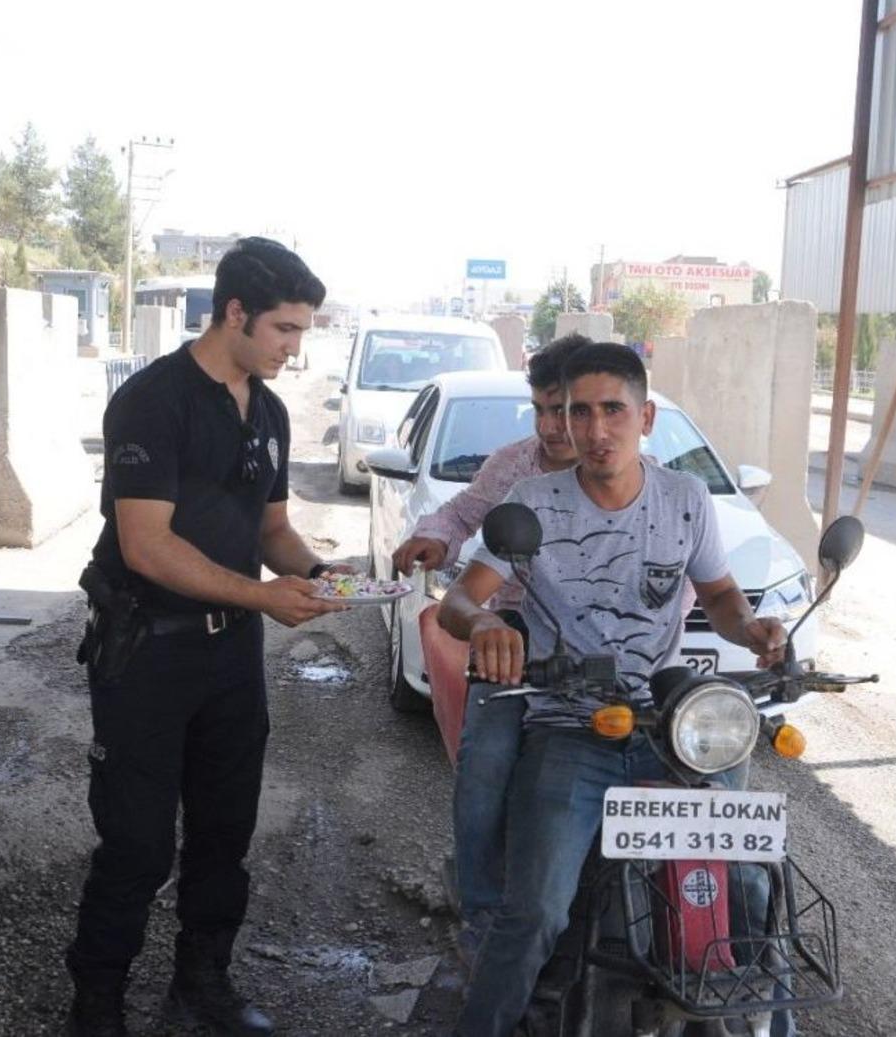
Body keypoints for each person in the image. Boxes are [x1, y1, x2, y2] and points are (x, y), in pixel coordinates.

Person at [438, 343, 789, 1036]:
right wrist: (484, 623)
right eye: (579, 411)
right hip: (569, 727)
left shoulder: (685, 499)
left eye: (613, 410)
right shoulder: (531, 501)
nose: (595, 430)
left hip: (669, 730)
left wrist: (751, 628)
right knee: (536, 908)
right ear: (561, 417)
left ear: (645, 415)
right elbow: (459, 598)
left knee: (751, 889)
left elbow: (718, 593)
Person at [65, 237, 346, 1036]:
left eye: (303, 330)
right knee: (137, 842)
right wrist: (261, 595)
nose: (297, 347)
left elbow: (274, 529)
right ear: (234, 313)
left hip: (231, 656)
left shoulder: (270, 408)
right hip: (148, 651)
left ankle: (202, 982)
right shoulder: (154, 401)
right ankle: (97, 1000)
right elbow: (146, 545)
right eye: (286, 329)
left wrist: (324, 574)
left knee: (225, 831)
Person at [390, 332, 590, 961]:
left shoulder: (643, 480)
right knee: (486, 769)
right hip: (509, 641)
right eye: (542, 410)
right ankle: (481, 917)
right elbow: (461, 512)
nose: (554, 427)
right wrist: (435, 539)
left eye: (569, 410)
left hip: (606, 649)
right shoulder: (513, 465)